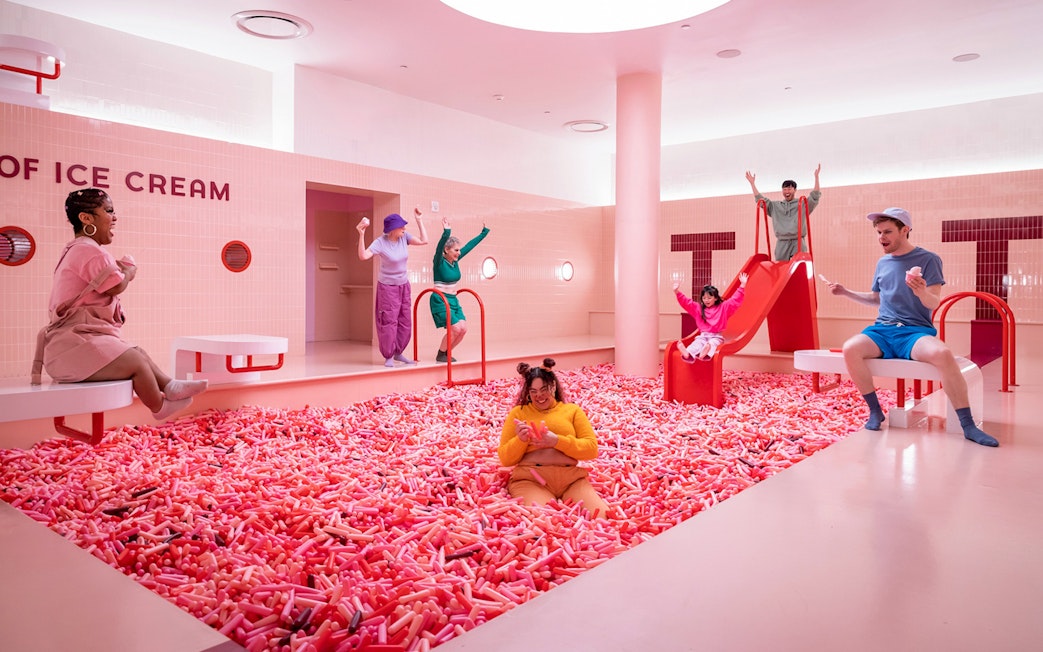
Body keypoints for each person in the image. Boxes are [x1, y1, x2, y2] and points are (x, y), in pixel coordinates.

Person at [825, 207, 998, 447]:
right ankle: (875, 411)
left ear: (904, 230)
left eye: (887, 232)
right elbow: (876, 299)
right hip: (883, 330)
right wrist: (845, 292)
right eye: (878, 232)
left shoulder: (929, 259)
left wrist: (921, 291)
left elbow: (933, 302)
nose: (881, 238)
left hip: (914, 331)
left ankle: (968, 426)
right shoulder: (883, 262)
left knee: (943, 354)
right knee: (850, 348)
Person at [32, 188, 207, 421]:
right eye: (109, 211)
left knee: (137, 352)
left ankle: (169, 385)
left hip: (73, 344)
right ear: (86, 218)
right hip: (71, 351)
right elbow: (115, 285)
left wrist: (121, 271)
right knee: (135, 361)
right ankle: (159, 407)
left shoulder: (78, 249)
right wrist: (129, 272)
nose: (114, 217)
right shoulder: (89, 250)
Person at [498, 358, 611, 519]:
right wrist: (520, 440)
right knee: (542, 522)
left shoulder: (572, 411)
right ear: (528, 393)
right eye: (533, 391)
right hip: (531, 478)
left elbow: (591, 449)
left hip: (571, 479)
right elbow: (505, 459)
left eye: (544, 389)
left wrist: (557, 441)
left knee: (601, 517)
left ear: (553, 386)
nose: (539, 396)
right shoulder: (518, 413)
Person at [356, 208, 429, 367]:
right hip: (387, 288)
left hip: (404, 286)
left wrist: (419, 219)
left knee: (405, 320)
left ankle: (399, 353)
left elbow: (424, 240)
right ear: (392, 229)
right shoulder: (380, 242)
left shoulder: (405, 238)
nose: (404, 229)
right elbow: (363, 256)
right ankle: (388, 355)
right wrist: (361, 235)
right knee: (388, 322)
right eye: (401, 226)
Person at [430, 216, 489, 362]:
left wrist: (484, 232)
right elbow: (438, 248)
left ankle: (445, 353)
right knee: (455, 328)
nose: (459, 253)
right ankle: (441, 353)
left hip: (453, 299)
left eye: (458, 250)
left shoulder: (455, 261)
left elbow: (469, 246)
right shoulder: (439, 262)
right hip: (440, 300)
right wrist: (446, 232)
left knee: (463, 329)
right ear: (447, 250)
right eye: (456, 250)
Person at [745, 164, 822, 261]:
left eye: (789, 189)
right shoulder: (776, 206)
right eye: (784, 189)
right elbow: (761, 200)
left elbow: (815, 196)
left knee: (799, 266)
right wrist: (752, 184)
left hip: (798, 241)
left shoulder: (802, 204)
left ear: (795, 190)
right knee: (780, 267)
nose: (787, 191)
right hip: (782, 242)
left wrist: (816, 178)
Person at [673, 273, 748, 361]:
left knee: (712, 343)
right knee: (697, 343)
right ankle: (688, 353)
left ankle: (704, 353)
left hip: (716, 336)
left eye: (709, 298)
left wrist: (742, 285)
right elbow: (687, 303)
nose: (706, 300)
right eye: (704, 298)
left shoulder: (723, 307)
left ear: (715, 298)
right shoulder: (699, 308)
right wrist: (677, 292)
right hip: (703, 335)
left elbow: (734, 300)